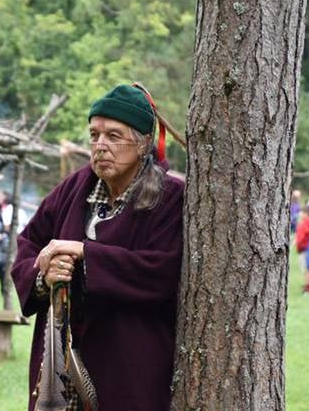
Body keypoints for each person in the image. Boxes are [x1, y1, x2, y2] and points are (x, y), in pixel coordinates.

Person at [11, 84, 184, 410]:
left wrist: (84, 253)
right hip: (59, 363)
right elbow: (29, 244)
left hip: (129, 365)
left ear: (144, 142)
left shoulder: (169, 197)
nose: (100, 145)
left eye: (114, 136)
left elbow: (162, 270)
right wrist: (43, 275)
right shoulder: (74, 188)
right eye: (94, 135)